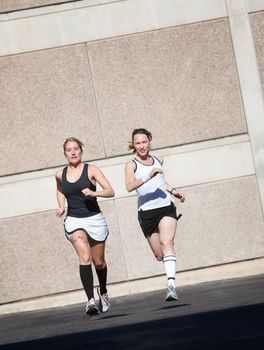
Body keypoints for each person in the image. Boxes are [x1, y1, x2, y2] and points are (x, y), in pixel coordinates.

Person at [55, 137, 115, 316]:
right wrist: (61, 207)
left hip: (94, 219)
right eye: (69, 150)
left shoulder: (92, 170)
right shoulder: (60, 174)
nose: (73, 152)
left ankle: (102, 291)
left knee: (99, 262)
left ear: (81, 150)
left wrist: (93, 192)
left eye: (76, 149)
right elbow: (59, 189)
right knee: (84, 256)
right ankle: (90, 301)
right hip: (74, 220)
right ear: (65, 153)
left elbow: (111, 191)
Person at [125, 128, 185, 301]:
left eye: (144, 142)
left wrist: (174, 191)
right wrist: (148, 177)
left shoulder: (159, 159)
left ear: (149, 141)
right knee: (160, 255)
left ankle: (171, 285)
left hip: (165, 206)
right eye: (138, 143)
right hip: (146, 212)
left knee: (167, 243)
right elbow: (129, 186)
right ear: (133, 145)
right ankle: (168, 267)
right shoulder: (132, 164)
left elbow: (160, 182)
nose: (142, 146)